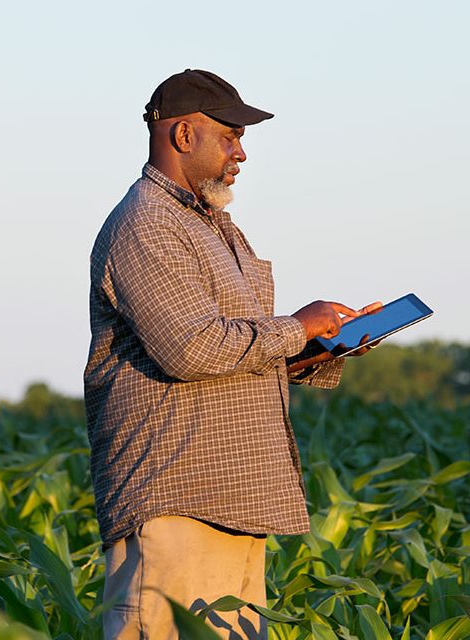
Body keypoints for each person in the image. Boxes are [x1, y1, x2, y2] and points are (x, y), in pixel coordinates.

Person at [84, 69, 381, 639]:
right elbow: (191, 349)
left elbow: (234, 352)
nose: (241, 152)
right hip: (177, 503)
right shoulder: (147, 223)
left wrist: (318, 346)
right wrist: (295, 326)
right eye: (230, 136)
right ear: (183, 136)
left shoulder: (216, 226)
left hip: (234, 502)